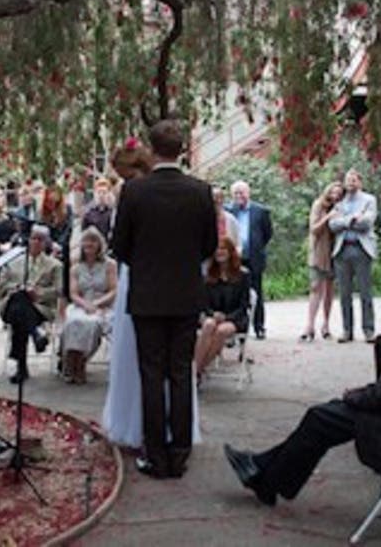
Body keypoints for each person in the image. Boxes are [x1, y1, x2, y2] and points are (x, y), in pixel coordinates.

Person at [222, 248, 381, 507]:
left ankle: (266, 477)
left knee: (321, 417)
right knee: (325, 416)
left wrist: (354, 395)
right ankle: (263, 473)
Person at [111, 119, 218, 479]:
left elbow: (119, 246)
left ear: (152, 150)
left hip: (147, 296)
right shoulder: (200, 190)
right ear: (183, 150)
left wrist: (146, 267)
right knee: (180, 372)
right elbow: (209, 246)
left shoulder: (134, 192)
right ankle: (180, 452)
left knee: (152, 375)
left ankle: (155, 454)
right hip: (186, 295)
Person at [101, 142, 156, 448]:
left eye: (123, 173)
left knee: (132, 351)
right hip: (160, 277)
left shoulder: (131, 193)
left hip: (135, 275)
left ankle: (131, 423)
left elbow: (119, 243)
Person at [0, 225, 61, 383]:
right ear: (28, 240)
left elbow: (58, 291)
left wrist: (38, 293)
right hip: (10, 305)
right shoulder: (13, 261)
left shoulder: (55, 265)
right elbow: (1, 286)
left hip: (39, 308)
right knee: (20, 297)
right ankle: (36, 333)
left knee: (21, 315)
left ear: (46, 243)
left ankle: (21, 368)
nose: (36, 242)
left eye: (40, 239)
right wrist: (16, 288)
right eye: (33, 238)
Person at [61, 226, 117, 384]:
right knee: (73, 322)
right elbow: (73, 294)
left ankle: (81, 362)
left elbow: (114, 291)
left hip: (104, 305)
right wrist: (85, 304)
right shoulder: (76, 267)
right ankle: (71, 361)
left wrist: (97, 304)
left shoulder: (110, 265)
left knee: (91, 324)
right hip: (81, 303)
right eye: (86, 241)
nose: (89, 244)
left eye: (93, 241)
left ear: (99, 244)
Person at [329, 169, 379, 342]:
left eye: (353, 179)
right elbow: (333, 225)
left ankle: (368, 329)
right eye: (347, 179)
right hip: (342, 250)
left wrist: (347, 221)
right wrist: (351, 219)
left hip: (361, 249)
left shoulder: (369, 200)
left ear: (360, 182)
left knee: (365, 292)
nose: (350, 182)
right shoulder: (339, 203)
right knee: (344, 294)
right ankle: (347, 330)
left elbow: (367, 222)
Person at [195, 235, 251, 377]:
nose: (219, 252)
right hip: (213, 316)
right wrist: (212, 314)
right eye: (216, 249)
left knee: (221, 331)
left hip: (235, 318)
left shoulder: (243, 275)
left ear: (230, 251)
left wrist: (226, 317)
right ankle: (196, 370)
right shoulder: (209, 275)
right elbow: (203, 303)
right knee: (208, 325)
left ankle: (196, 371)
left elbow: (244, 305)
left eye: (223, 248)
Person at [227, 180, 273, 340]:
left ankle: (259, 327)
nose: (239, 196)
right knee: (232, 294)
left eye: (242, 192)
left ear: (248, 193)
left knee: (256, 292)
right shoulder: (227, 211)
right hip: (232, 259)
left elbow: (267, 234)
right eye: (236, 193)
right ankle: (233, 330)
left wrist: (256, 247)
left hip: (253, 258)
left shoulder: (261, 211)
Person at [302, 181, 343, 341]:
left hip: (335, 252)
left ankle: (326, 325)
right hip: (319, 252)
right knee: (315, 287)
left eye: (339, 194)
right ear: (328, 191)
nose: (336, 196)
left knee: (329, 289)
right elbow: (314, 229)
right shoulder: (318, 205)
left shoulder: (342, 206)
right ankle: (309, 325)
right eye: (333, 192)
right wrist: (328, 217)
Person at [41, 184, 73, 316]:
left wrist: (60, 245)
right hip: (49, 250)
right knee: (50, 282)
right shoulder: (43, 212)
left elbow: (69, 228)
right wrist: (51, 245)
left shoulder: (68, 209)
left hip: (64, 251)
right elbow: (43, 230)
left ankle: (63, 315)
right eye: (50, 193)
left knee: (65, 285)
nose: (53, 197)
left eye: (56, 193)